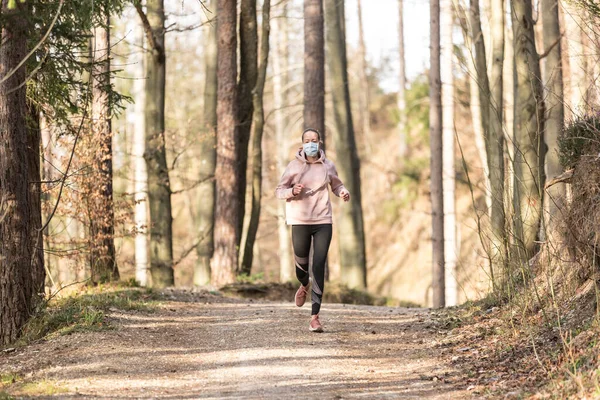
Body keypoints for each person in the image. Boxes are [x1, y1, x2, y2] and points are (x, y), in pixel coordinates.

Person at [275, 128, 350, 332]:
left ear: (320, 143)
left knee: (318, 265)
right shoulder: (293, 166)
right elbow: (279, 191)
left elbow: (336, 185)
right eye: (307, 140)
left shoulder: (328, 165)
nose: (311, 143)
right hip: (299, 220)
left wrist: (343, 192)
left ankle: (315, 317)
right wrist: (292, 191)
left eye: (314, 140)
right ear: (302, 143)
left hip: (323, 220)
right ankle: (304, 285)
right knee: (302, 269)